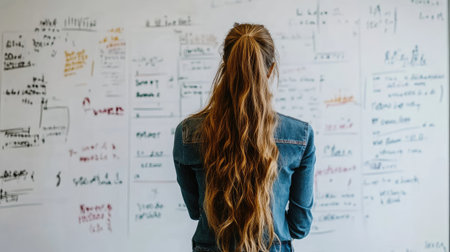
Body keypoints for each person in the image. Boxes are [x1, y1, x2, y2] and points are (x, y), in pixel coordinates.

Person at [173, 23, 316, 252]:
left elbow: (195, 211)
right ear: (270, 70)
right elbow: (300, 226)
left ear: (225, 67)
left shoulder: (188, 134)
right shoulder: (299, 137)